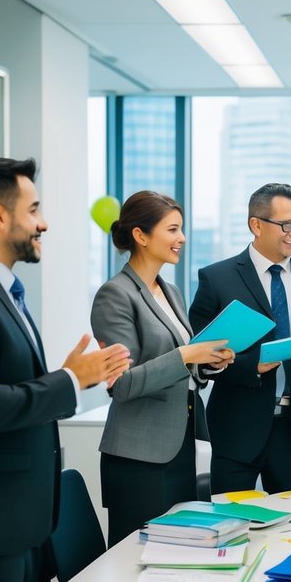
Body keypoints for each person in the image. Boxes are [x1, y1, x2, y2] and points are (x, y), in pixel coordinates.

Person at [0, 158, 130, 582]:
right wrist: (69, 382)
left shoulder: (1, 286)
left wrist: (67, 380)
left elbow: (6, 387)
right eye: (33, 210)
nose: (44, 223)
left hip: (22, 518)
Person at [90, 192, 235, 546]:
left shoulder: (171, 292)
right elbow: (122, 384)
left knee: (177, 553)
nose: (182, 238)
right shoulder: (115, 295)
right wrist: (187, 354)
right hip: (138, 458)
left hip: (180, 448)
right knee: (134, 559)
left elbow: (184, 371)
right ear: (141, 236)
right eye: (172, 229)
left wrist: (207, 364)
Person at [188, 183, 291, 495]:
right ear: (255, 225)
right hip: (236, 430)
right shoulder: (217, 279)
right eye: (286, 225)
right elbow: (198, 357)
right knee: (233, 528)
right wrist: (253, 367)